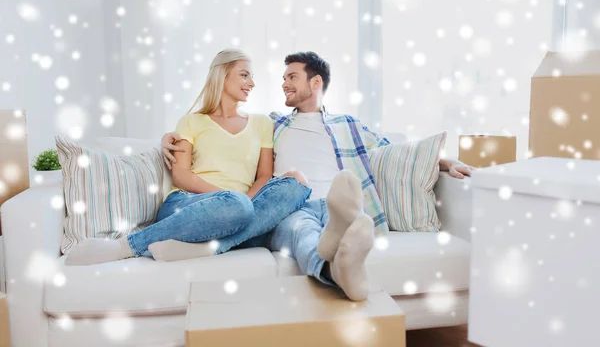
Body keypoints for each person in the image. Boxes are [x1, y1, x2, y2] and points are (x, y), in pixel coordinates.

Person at [160, 51, 473, 301]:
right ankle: (333, 267)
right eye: (283, 78)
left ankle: (341, 238)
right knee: (300, 231)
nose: (284, 84)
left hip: (339, 203)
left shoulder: (348, 124)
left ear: (316, 82)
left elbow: (393, 150)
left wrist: (444, 162)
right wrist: (168, 138)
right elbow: (220, 131)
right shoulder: (273, 124)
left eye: (292, 77)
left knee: (345, 215)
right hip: (293, 206)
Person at [65, 49, 312, 265]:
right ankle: (125, 246)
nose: (251, 83)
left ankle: (210, 246)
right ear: (222, 75)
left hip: (241, 210)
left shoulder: (261, 123)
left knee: (297, 183)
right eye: (244, 74)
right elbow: (181, 175)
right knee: (238, 209)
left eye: (252, 77)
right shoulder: (192, 121)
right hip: (189, 204)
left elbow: (264, 176)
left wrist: (243, 203)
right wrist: (228, 199)